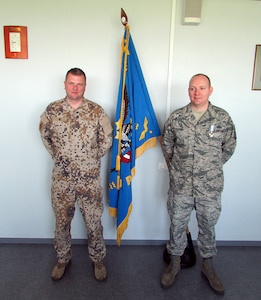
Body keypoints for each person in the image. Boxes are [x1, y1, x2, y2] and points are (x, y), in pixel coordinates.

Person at [160, 74, 237, 294]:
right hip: (181, 186)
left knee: (208, 228)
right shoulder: (177, 118)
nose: (197, 92)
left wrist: (209, 167)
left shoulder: (222, 118)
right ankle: (174, 266)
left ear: (210, 90)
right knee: (176, 226)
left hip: (209, 187)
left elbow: (229, 147)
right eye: (193, 88)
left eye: (202, 88)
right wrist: (180, 169)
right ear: (188, 90)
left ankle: (208, 268)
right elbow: (168, 147)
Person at [39, 67, 112, 281]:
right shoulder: (52, 110)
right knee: (62, 221)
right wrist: (59, 156)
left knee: (93, 221)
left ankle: (97, 259)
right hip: (62, 180)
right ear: (65, 84)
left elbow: (106, 139)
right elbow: (44, 134)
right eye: (71, 83)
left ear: (85, 86)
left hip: (89, 180)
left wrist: (90, 158)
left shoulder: (97, 111)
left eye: (79, 84)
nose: (75, 87)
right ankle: (63, 259)